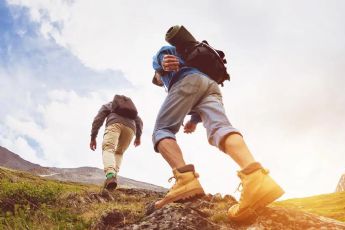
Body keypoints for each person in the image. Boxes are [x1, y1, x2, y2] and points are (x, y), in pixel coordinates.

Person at [150, 26, 284, 221]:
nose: (159, 81)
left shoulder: (163, 57)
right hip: (211, 86)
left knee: (162, 130)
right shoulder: (195, 61)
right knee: (220, 128)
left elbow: (162, 60)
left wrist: (161, 66)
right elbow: (197, 95)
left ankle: (185, 179)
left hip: (188, 80)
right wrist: (194, 121)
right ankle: (255, 177)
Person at [90, 95, 143, 190]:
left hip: (115, 124)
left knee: (108, 148)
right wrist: (138, 137)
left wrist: (93, 137)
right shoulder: (131, 111)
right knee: (119, 152)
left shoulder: (109, 105)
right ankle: (112, 178)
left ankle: (110, 175)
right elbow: (139, 121)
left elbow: (98, 119)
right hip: (130, 128)